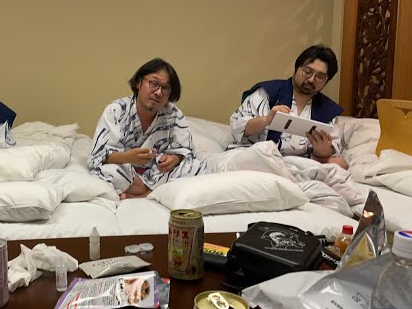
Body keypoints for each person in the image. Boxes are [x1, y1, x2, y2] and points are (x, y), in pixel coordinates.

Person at [88, 58, 202, 199]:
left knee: (193, 166)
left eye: (165, 88)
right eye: (154, 84)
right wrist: (128, 157)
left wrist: (174, 158)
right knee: (108, 171)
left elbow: (186, 150)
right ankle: (147, 191)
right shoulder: (116, 110)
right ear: (138, 82)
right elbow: (98, 156)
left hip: (157, 172)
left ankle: (142, 194)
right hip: (127, 172)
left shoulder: (173, 114)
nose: (158, 92)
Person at [228, 44, 349, 169]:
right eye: (307, 72)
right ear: (297, 68)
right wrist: (266, 120)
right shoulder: (268, 93)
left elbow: (333, 150)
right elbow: (236, 127)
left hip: (298, 163)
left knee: (341, 165)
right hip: (258, 156)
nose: (311, 79)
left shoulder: (328, 111)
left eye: (320, 77)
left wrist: (323, 151)